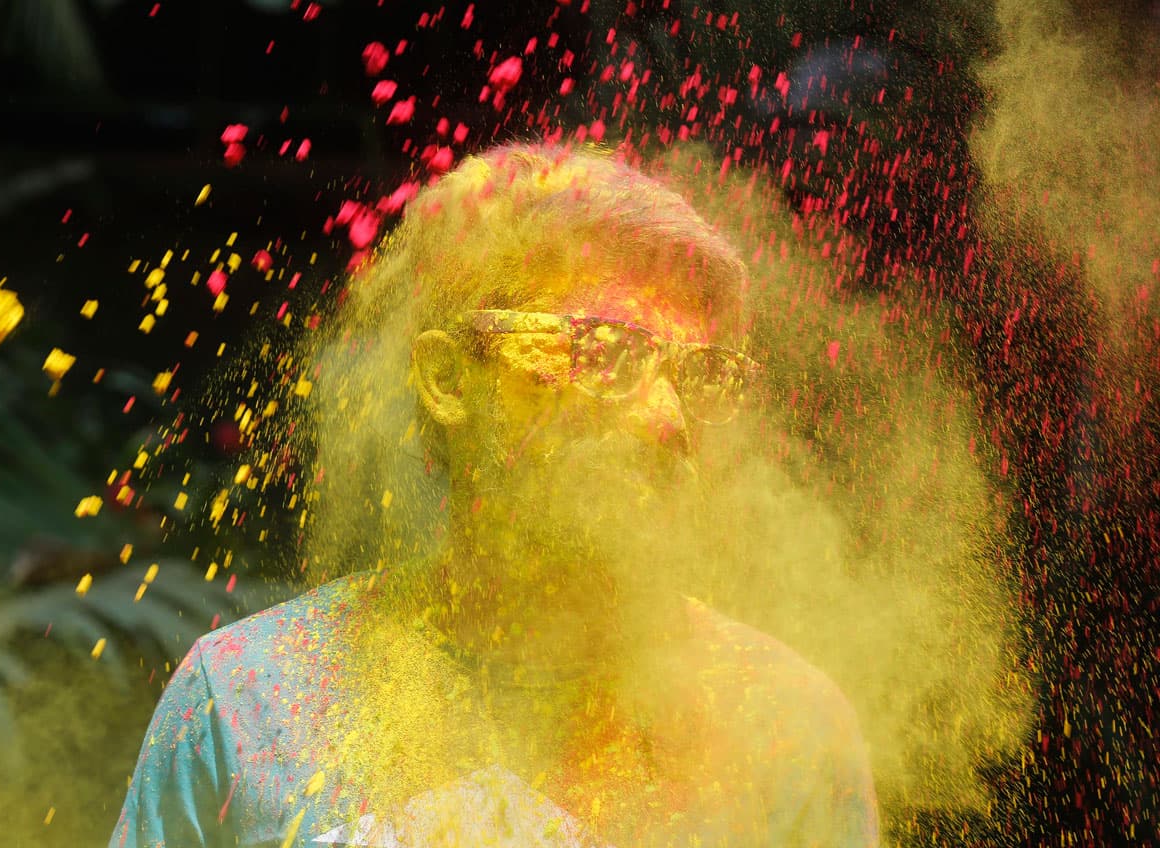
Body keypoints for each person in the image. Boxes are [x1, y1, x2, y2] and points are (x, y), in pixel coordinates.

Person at [110, 143, 879, 848]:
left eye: (698, 374)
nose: (667, 420)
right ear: (448, 380)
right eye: (605, 353)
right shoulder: (250, 702)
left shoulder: (782, 724)